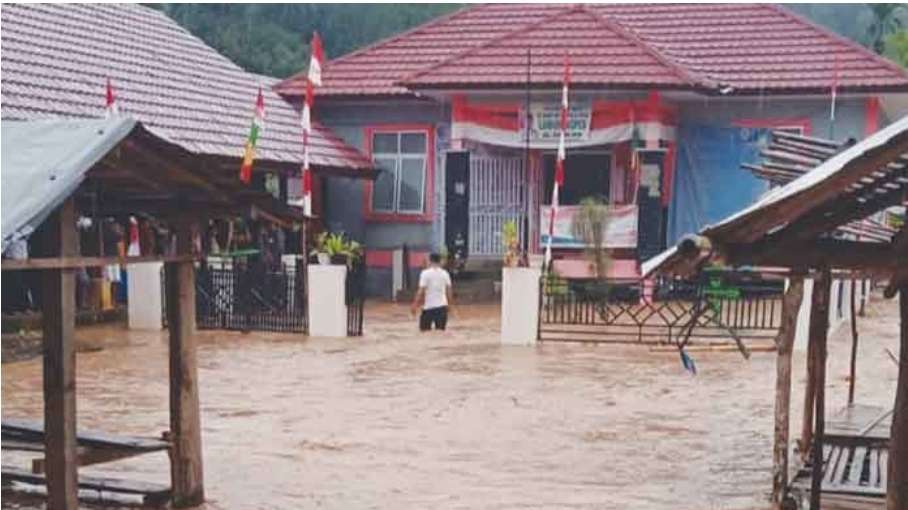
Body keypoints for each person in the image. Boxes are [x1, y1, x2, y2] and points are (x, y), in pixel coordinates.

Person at [410, 252, 454, 331]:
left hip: (428, 308)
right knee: (441, 333)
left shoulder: (425, 273)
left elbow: (421, 291)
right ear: (440, 261)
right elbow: (449, 291)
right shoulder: (445, 274)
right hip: (442, 308)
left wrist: (414, 305)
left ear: (430, 261)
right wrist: (450, 305)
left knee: (424, 333)